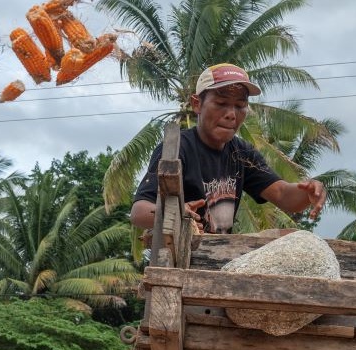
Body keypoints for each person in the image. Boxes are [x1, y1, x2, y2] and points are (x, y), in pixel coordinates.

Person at [130, 63, 327, 235]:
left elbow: (283, 195)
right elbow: (139, 212)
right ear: (197, 104)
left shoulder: (242, 154)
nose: (231, 114)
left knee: (288, 239)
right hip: (182, 258)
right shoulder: (177, 148)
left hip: (219, 259)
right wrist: (175, 214)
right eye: (221, 103)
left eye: (240, 106)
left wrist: (308, 193)